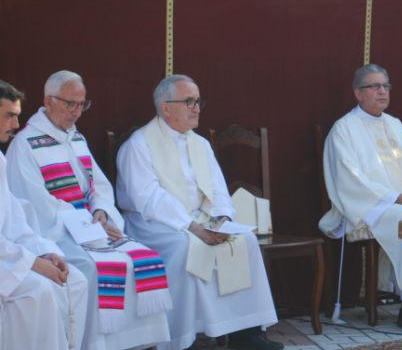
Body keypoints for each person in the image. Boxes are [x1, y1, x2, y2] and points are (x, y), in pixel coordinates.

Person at [5, 71, 172, 350]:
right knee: (93, 268)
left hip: (92, 228)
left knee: (146, 259)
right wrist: (87, 222)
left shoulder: (76, 138)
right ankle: (96, 344)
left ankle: (140, 343)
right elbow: (35, 204)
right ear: (48, 101)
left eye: (82, 104)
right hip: (58, 234)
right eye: (70, 103)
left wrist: (102, 212)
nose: (76, 111)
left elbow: (99, 186)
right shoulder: (25, 144)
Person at [115, 74, 281, 350]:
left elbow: (217, 188)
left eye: (198, 101)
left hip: (202, 219)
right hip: (155, 224)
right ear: (166, 108)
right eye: (189, 102)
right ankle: (184, 338)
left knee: (245, 241)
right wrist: (192, 227)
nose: (196, 108)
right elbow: (148, 198)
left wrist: (222, 220)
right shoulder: (139, 144)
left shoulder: (199, 143)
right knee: (186, 246)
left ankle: (246, 333)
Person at [319, 64, 402, 331]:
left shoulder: (394, 124)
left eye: (386, 86)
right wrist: (397, 197)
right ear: (358, 93)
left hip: (401, 203)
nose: (382, 91)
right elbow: (349, 179)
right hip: (365, 206)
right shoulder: (344, 129)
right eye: (375, 86)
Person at [0, 79, 89, 350]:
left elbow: (15, 222)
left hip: (9, 256)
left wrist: (45, 252)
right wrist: (32, 263)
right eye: (9, 115)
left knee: (76, 280)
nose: (16, 124)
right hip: (6, 260)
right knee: (39, 291)